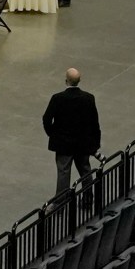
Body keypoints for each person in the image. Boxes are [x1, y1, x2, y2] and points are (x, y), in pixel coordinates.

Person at [43, 66, 101, 201]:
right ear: (79, 81)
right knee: (85, 170)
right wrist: (95, 144)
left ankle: (61, 203)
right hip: (82, 143)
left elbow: (46, 119)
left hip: (64, 144)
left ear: (66, 81)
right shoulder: (88, 98)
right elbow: (94, 123)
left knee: (63, 172)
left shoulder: (57, 98)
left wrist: (53, 134)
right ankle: (87, 199)